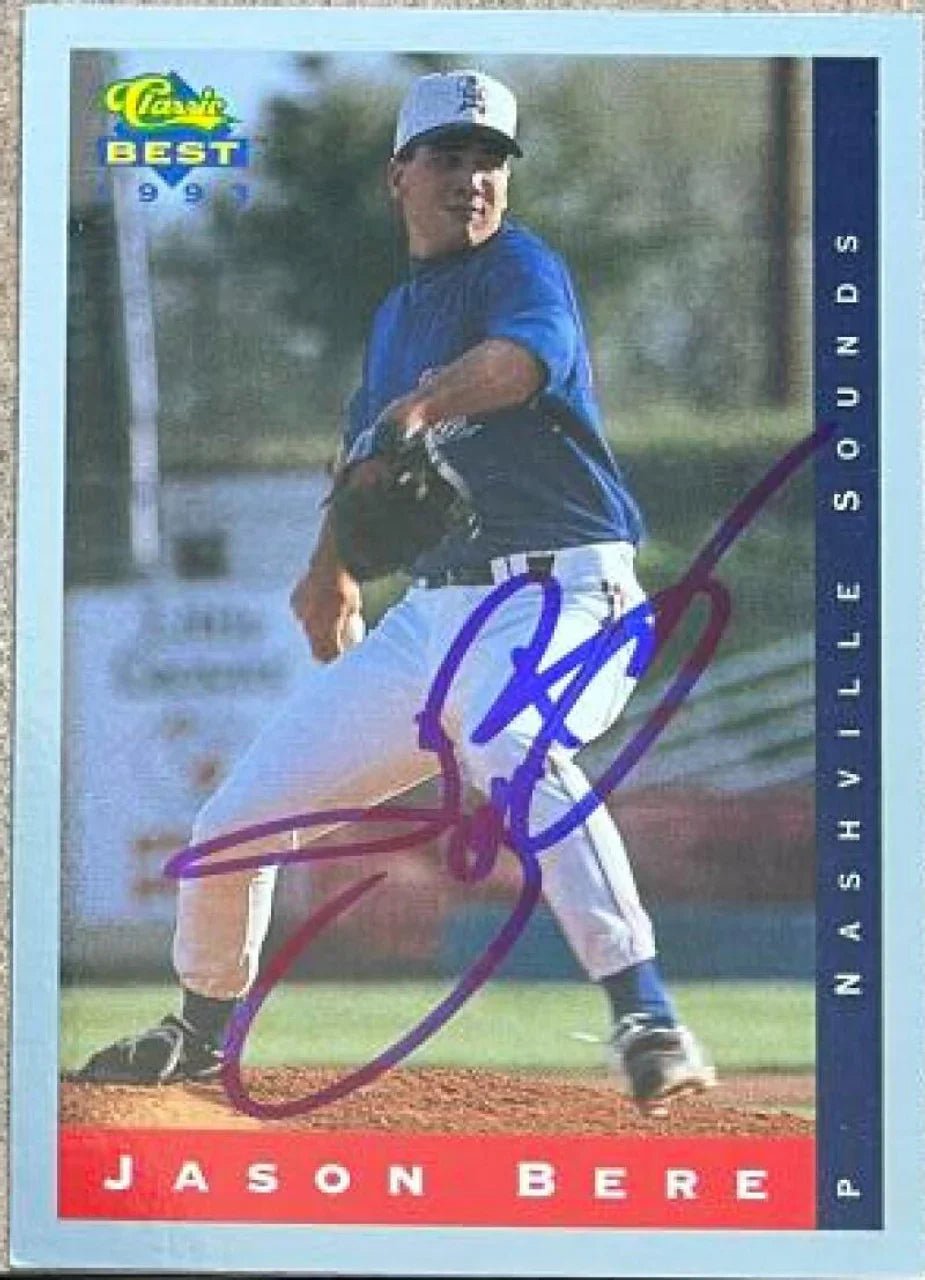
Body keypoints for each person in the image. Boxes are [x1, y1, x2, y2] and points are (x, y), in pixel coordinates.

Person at [75, 69, 714, 1110]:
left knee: (511, 740)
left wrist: (422, 408)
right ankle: (198, 1029)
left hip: (563, 595)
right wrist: (326, 567)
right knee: (233, 820)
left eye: (490, 160)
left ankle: (646, 1013)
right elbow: (362, 450)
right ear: (398, 176)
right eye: (449, 156)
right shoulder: (395, 318)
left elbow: (521, 362)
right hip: (433, 617)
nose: (472, 177)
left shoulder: (521, 269)